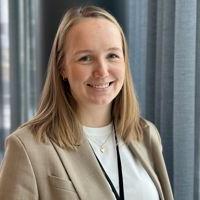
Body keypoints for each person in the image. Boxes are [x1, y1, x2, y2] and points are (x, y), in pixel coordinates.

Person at [0, 5, 174, 200]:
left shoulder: (146, 134)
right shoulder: (26, 147)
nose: (102, 70)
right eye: (86, 58)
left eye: (112, 55)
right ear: (62, 68)